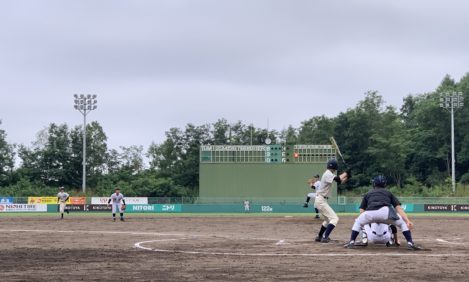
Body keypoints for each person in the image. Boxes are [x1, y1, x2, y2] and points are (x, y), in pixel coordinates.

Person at [344, 175, 421, 250]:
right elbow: (398, 208)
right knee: (402, 223)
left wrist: (364, 220)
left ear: (374, 184)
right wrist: (407, 221)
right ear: (385, 184)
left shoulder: (368, 193)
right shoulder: (388, 193)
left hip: (370, 212)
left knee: (357, 222)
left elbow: (362, 210)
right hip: (385, 212)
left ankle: (351, 242)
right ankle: (410, 243)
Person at [314, 159, 349, 243]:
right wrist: (346, 172)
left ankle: (319, 236)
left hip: (321, 200)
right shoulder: (327, 174)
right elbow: (338, 179)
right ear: (335, 167)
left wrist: (348, 176)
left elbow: (340, 181)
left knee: (327, 220)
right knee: (334, 218)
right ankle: (325, 237)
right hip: (321, 200)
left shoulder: (328, 174)